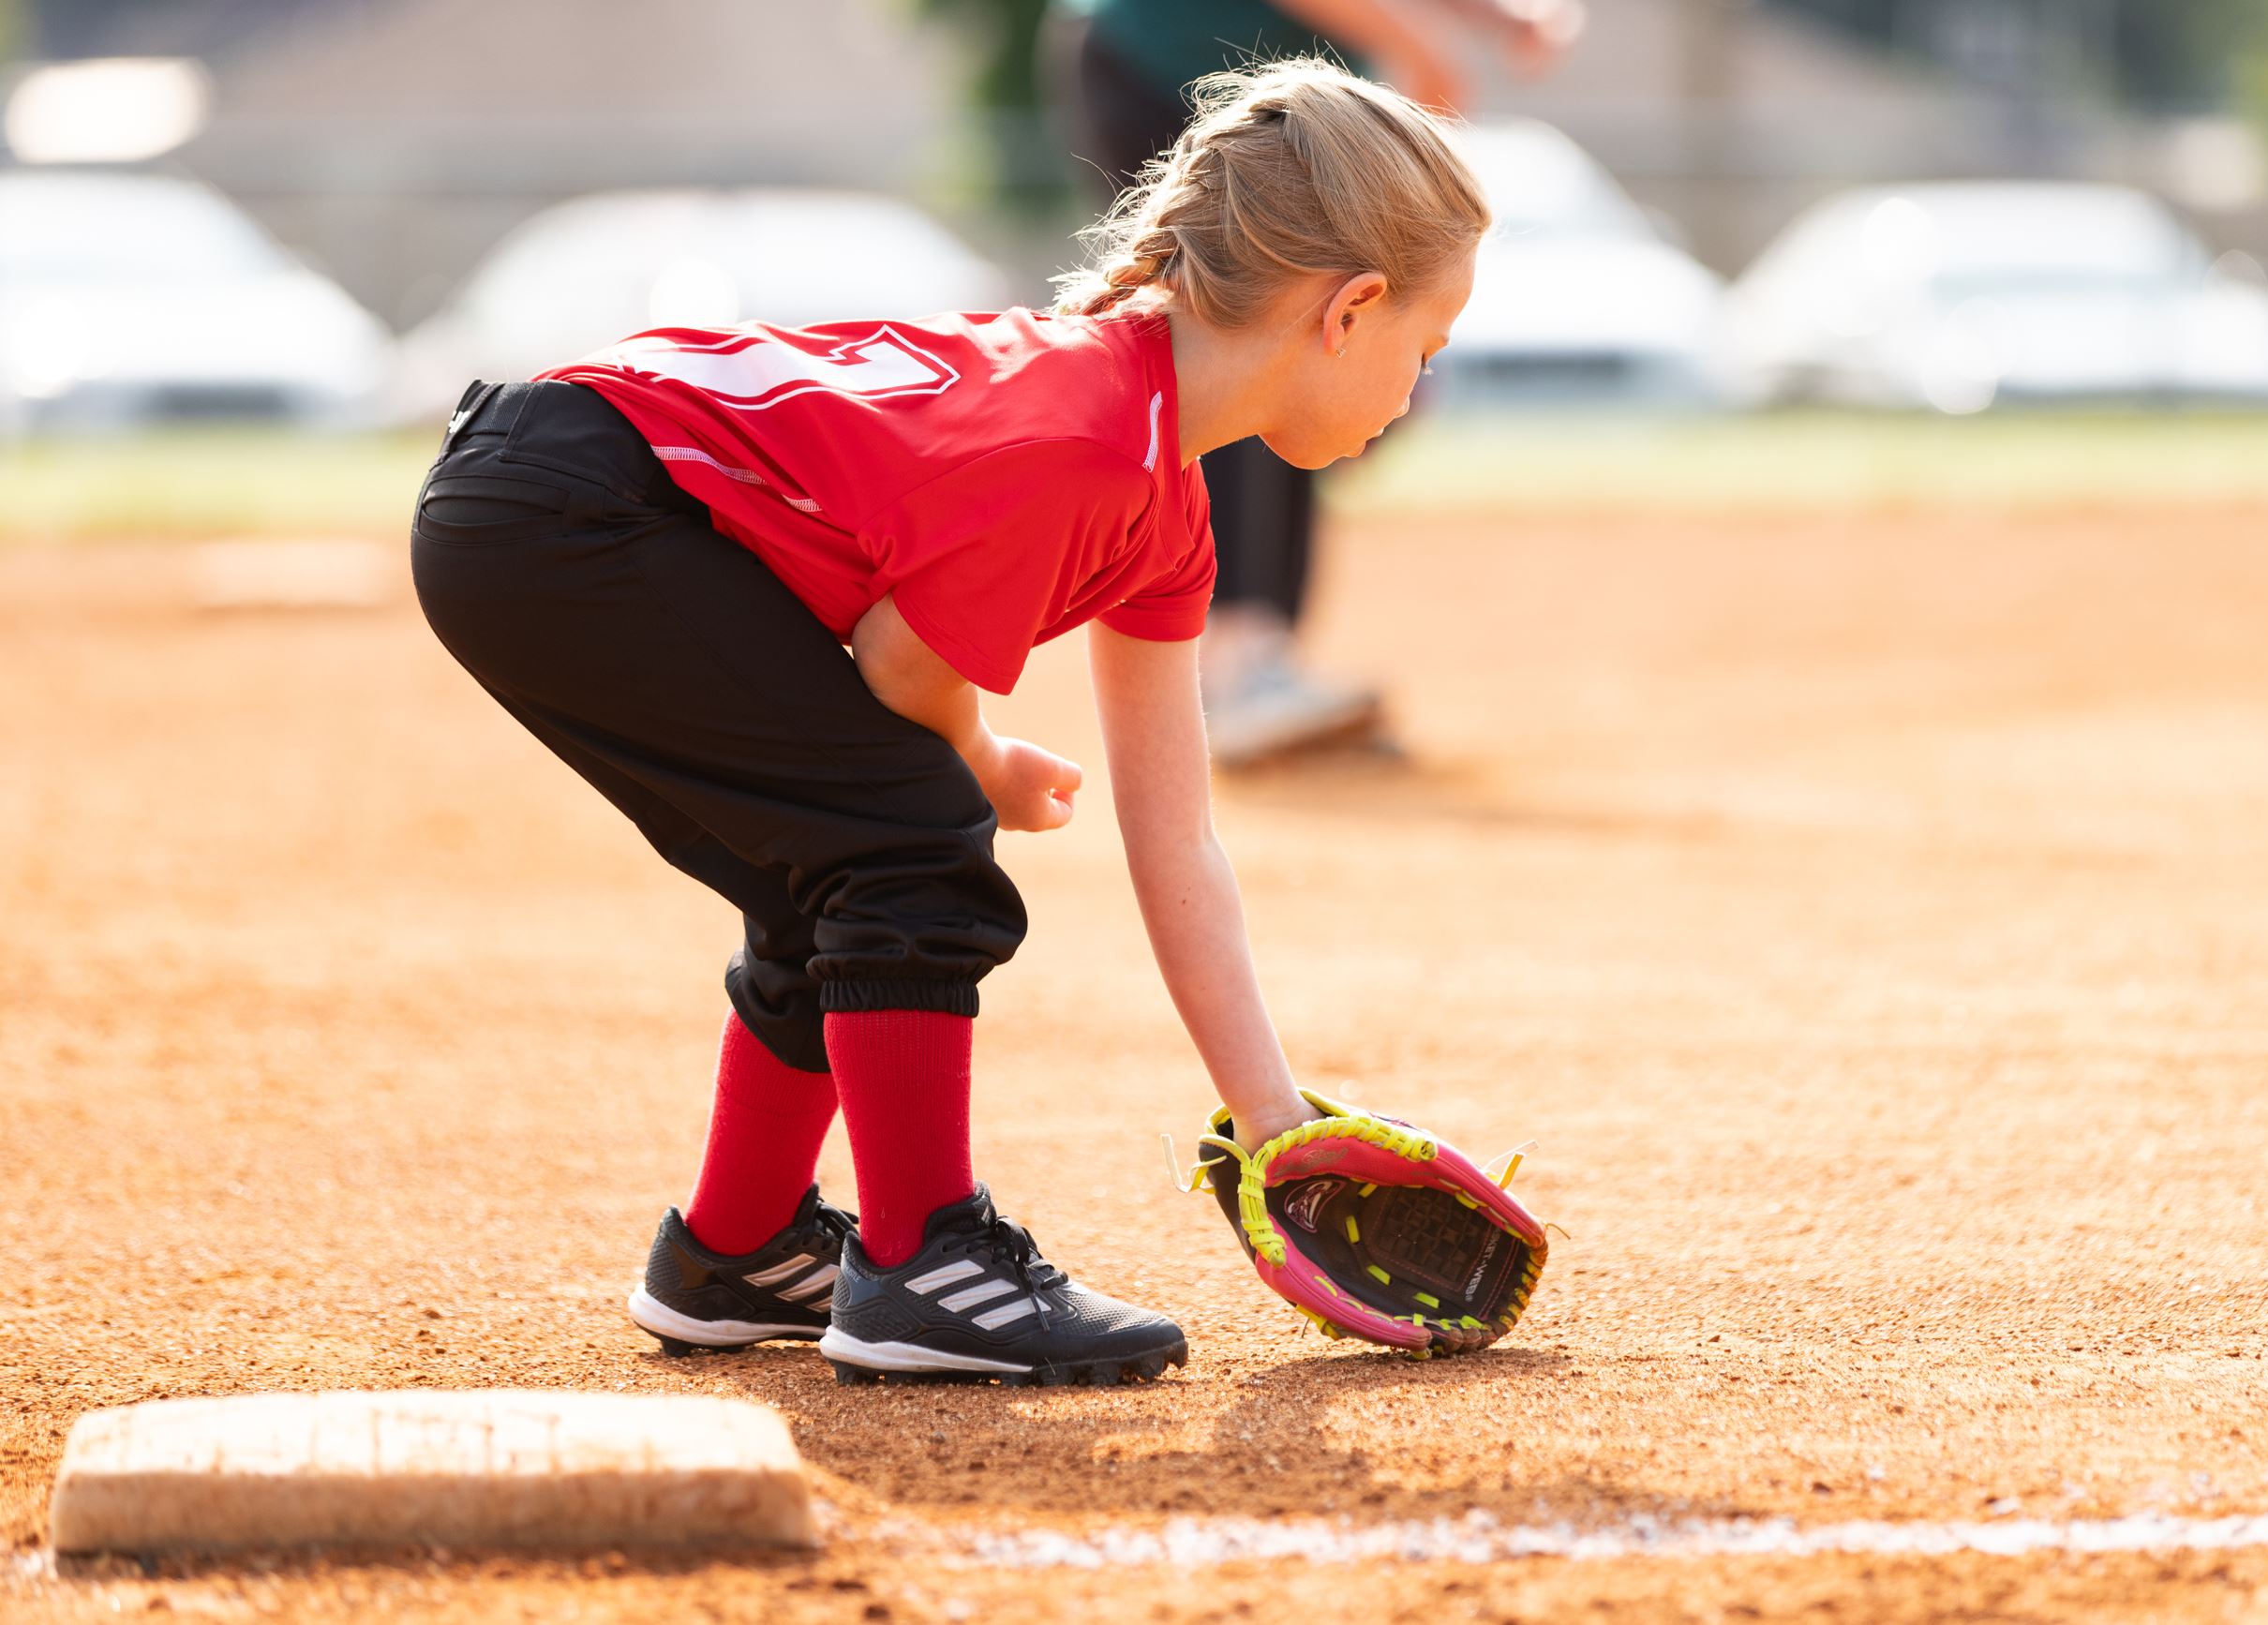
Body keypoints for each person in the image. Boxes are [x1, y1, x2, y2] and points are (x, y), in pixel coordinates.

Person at [408, 59, 1490, 1386]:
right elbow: (904, 661)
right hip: (572, 511)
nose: (1419, 389)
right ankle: (924, 1260)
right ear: (1350, 309)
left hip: (561, 505)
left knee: (852, 853)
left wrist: (1273, 1121)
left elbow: (1178, 843)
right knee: (912, 838)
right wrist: (980, 758)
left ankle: (734, 1250)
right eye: (1425, 351)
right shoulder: (1090, 435)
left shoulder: (1158, 488)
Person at [1043, 0, 1581, 768]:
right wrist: (1419, 46)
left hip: (1249, 84)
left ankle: (1263, 660)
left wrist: (1496, 18)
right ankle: (1233, 666)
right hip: (1166, 67)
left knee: (1306, 365)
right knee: (1247, 350)